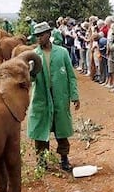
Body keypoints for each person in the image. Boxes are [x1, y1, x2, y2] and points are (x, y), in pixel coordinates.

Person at [26, 22, 80, 172]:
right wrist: (29, 72)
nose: (38, 39)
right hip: (41, 97)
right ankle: (42, 161)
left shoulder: (62, 52)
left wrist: (74, 95)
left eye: (41, 35)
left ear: (48, 35)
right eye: (36, 36)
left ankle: (64, 159)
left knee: (61, 128)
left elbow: (71, 76)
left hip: (59, 96)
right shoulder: (34, 55)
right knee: (40, 130)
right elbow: (30, 80)